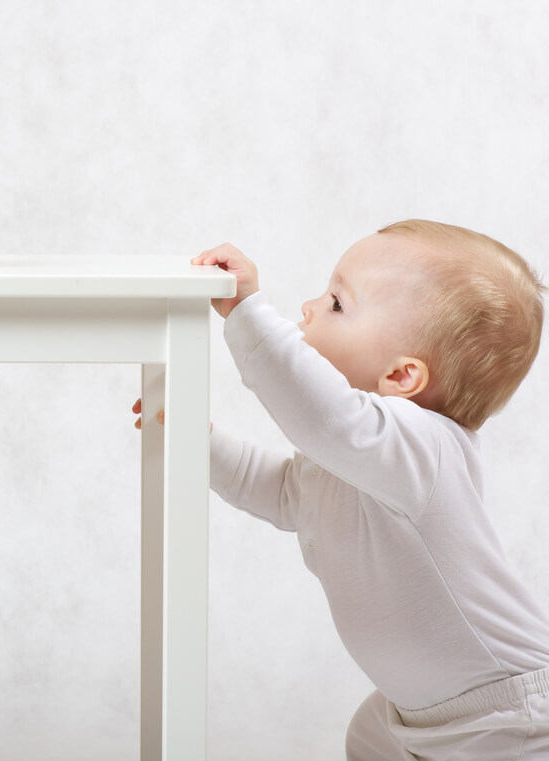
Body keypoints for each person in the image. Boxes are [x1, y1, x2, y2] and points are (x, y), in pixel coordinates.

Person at [133, 220, 549, 760]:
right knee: (366, 738)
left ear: (401, 378)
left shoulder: (424, 448)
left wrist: (247, 312)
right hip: (417, 712)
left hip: (510, 715)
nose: (308, 308)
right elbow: (283, 490)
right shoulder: (361, 462)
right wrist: (200, 444)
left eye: (335, 304)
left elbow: (319, 412)